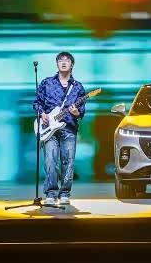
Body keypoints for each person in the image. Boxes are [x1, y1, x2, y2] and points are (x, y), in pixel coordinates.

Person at [33, 51, 86, 205]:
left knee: (68, 162)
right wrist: (42, 113)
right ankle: (50, 193)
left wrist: (76, 112)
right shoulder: (47, 83)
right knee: (50, 160)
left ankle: (65, 193)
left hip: (69, 128)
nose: (63, 62)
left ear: (72, 65)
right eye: (60, 60)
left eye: (67, 60)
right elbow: (37, 103)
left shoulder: (78, 87)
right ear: (57, 64)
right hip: (49, 129)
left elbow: (82, 111)